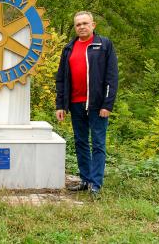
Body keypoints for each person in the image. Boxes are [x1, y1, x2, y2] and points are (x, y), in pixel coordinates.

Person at [55, 11, 118, 198]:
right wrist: (61, 105)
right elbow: (61, 79)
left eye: (85, 23)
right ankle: (85, 179)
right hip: (75, 103)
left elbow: (112, 77)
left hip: (97, 105)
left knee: (98, 144)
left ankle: (96, 184)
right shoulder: (68, 48)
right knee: (81, 142)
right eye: (78, 24)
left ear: (93, 25)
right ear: (75, 27)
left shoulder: (104, 45)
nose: (81, 27)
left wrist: (107, 104)